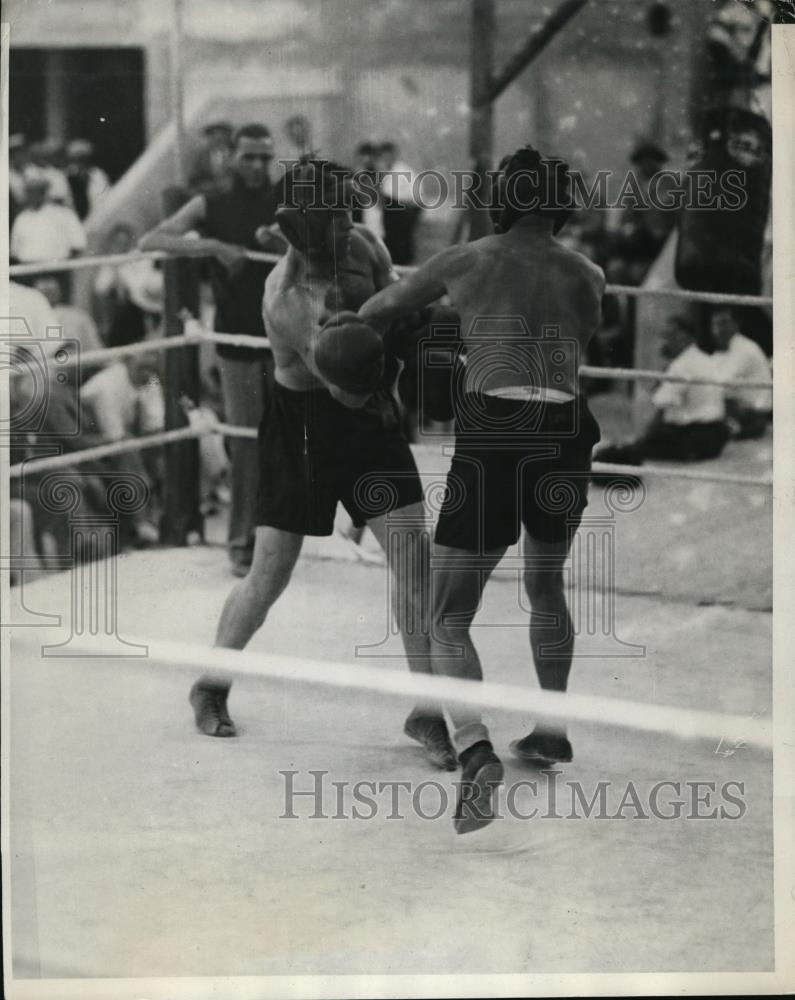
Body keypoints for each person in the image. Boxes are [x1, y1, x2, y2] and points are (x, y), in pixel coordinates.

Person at [360, 145, 605, 833]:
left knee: (446, 613)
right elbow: (582, 336)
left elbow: (376, 310)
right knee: (545, 585)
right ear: (560, 202)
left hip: (497, 426)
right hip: (564, 426)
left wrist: (354, 337)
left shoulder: (466, 258)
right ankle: (550, 728)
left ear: (501, 197)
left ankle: (473, 751)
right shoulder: (587, 271)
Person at [188, 158, 457, 773]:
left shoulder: (364, 243)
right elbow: (347, 388)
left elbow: (396, 297)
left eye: (346, 212)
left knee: (414, 563)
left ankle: (428, 710)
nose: (345, 226)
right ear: (305, 225)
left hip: (371, 421)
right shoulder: (287, 299)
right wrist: (395, 348)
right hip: (306, 425)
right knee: (271, 571)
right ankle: (212, 681)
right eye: (332, 217)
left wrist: (422, 321)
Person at [139, 123, 287, 576]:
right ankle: (242, 543)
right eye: (249, 157)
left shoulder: (287, 201)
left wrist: (285, 244)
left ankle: (277, 541)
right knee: (246, 442)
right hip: (237, 336)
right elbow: (152, 240)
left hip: (286, 334)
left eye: (265, 157)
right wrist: (212, 246)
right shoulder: (212, 204)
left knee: (285, 439)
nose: (258, 166)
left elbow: (327, 247)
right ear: (232, 157)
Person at [595, 315, 730, 465]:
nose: (663, 343)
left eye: (668, 337)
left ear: (683, 338)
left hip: (694, 439)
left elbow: (658, 406)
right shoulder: (705, 358)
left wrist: (642, 439)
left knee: (627, 451)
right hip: (717, 436)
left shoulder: (682, 365)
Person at [93, 224, 164, 347]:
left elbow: (151, 278)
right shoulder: (110, 264)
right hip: (132, 306)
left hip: (152, 299)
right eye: (119, 242)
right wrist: (115, 270)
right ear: (112, 243)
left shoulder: (141, 257)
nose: (123, 245)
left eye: (125, 241)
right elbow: (100, 288)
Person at [709, 307, 772, 439]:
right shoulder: (720, 352)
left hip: (752, 416)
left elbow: (722, 382)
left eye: (724, 323)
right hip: (741, 412)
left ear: (736, 325)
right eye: (715, 324)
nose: (719, 329)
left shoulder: (744, 348)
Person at [10, 172, 87, 265]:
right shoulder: (21, 218)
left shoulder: (64, 214)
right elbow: (15, 251)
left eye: (38, 191)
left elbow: (79, 244)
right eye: (30, 192)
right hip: (28, 269)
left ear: (45, 192)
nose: (33, 196)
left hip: (58, 267)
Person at [378, 141, 422, 265]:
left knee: (400, 243)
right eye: (383, 156)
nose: (386, 159)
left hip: (404, 211)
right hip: (395, 210)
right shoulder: (388, 172)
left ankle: (401, 263)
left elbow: (414, 195)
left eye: (388, 156)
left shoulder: (402, 171)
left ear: (394, 155)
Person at [65, 139, 111, 220]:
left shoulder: (98, 174)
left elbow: (106, 195)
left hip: (98, 217)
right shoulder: (68, 176)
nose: (81, 163)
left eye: (84, 159)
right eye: (77, 159)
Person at [188, 121, 234, 196]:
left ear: (228, 136)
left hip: (231, 191)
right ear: (209, 137)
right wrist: (206, 185)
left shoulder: (235, 153)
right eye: (214, 134)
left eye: (223, 133)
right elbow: (193, 179)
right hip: (209, 192)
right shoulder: (201, 155)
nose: (218, 137)